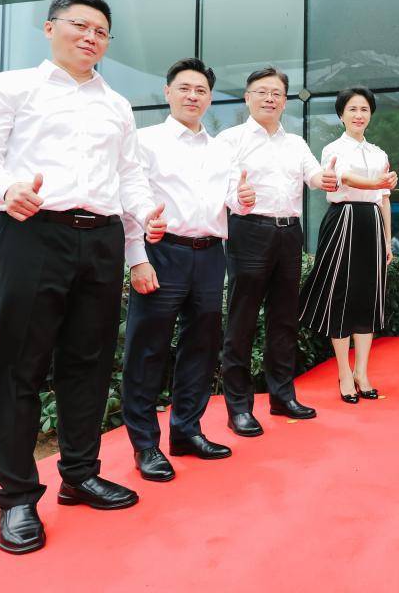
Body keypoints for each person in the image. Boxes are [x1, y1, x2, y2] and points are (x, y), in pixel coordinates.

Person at [0, 0, 167, 555]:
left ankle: (80, 474)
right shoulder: (13, 86)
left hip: (100, 239)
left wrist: (144, 216)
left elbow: (129, 175)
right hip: (32, 231)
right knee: (17, 366)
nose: (91, 37)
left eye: (101, 31)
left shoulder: (116, 105)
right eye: (80, 25)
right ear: (50, 28)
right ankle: (17, 497)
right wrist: (6, 187)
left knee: (89, 364)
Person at [121, 58, 242, 483]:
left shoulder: (222, 149)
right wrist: (137, 258)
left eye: (201, 90)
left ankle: (187, 431)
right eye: (185, 88)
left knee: (202, 348)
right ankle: (145, 444)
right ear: (168, 92)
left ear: (210, 98)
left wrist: (243, 198)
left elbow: (233, 200)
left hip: (210, 254)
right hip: (162, 251)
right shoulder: (145, 141)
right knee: (147, 350)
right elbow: (129, 201)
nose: (193, 96)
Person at [216, 68, 337, 436]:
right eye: (262, 91)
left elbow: (314, 175)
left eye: (277, 93)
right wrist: (237, 197)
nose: (269, 98)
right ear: (247, 97)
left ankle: (282, 396)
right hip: (249, 230)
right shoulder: (230, 139)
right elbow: (221, 187)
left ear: (285, 101)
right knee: (242, 320)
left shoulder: (295, 143)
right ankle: (239, 407)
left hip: (289, 234)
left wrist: (325, 179)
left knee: (284, 319)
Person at [299, 87, 397, 403]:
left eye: (364, 109)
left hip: (371, 222)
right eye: (352, 109)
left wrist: (387, 241)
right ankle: (343, 372)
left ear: (371, 115)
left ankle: (362, 373)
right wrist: (378, 182)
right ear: (341, 115)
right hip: (343, 220)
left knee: (368, 297)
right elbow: (347, 178)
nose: (358, 115)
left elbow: (384, 199)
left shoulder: (380, 153)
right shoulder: (333, 149)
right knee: (341, 296)